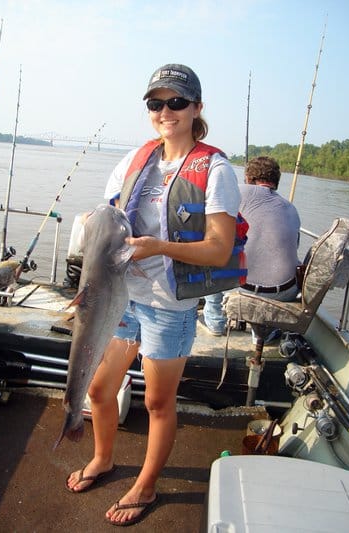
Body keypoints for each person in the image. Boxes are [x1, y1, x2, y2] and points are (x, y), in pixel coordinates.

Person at [65, 64, 241, 526]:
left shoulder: (216, 169)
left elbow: (221, 248)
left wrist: (159, 247)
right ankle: (103, 458)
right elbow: (110, 213)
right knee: (101, 389)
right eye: (156, 103)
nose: (166, 111)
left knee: (158, 403)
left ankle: (145, 485)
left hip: (170, 307)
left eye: (177, 102)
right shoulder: (135, 159)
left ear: (197, 108)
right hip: (121, 300)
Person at [203, 156, 301, 342]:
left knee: (211, 258)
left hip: (243, 290)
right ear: (276, 181)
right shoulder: (291, 208)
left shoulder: (237, 192)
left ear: (248, 177)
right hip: (285, 292)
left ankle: (216, 322)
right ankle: (262, 332)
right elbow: (294, 248)